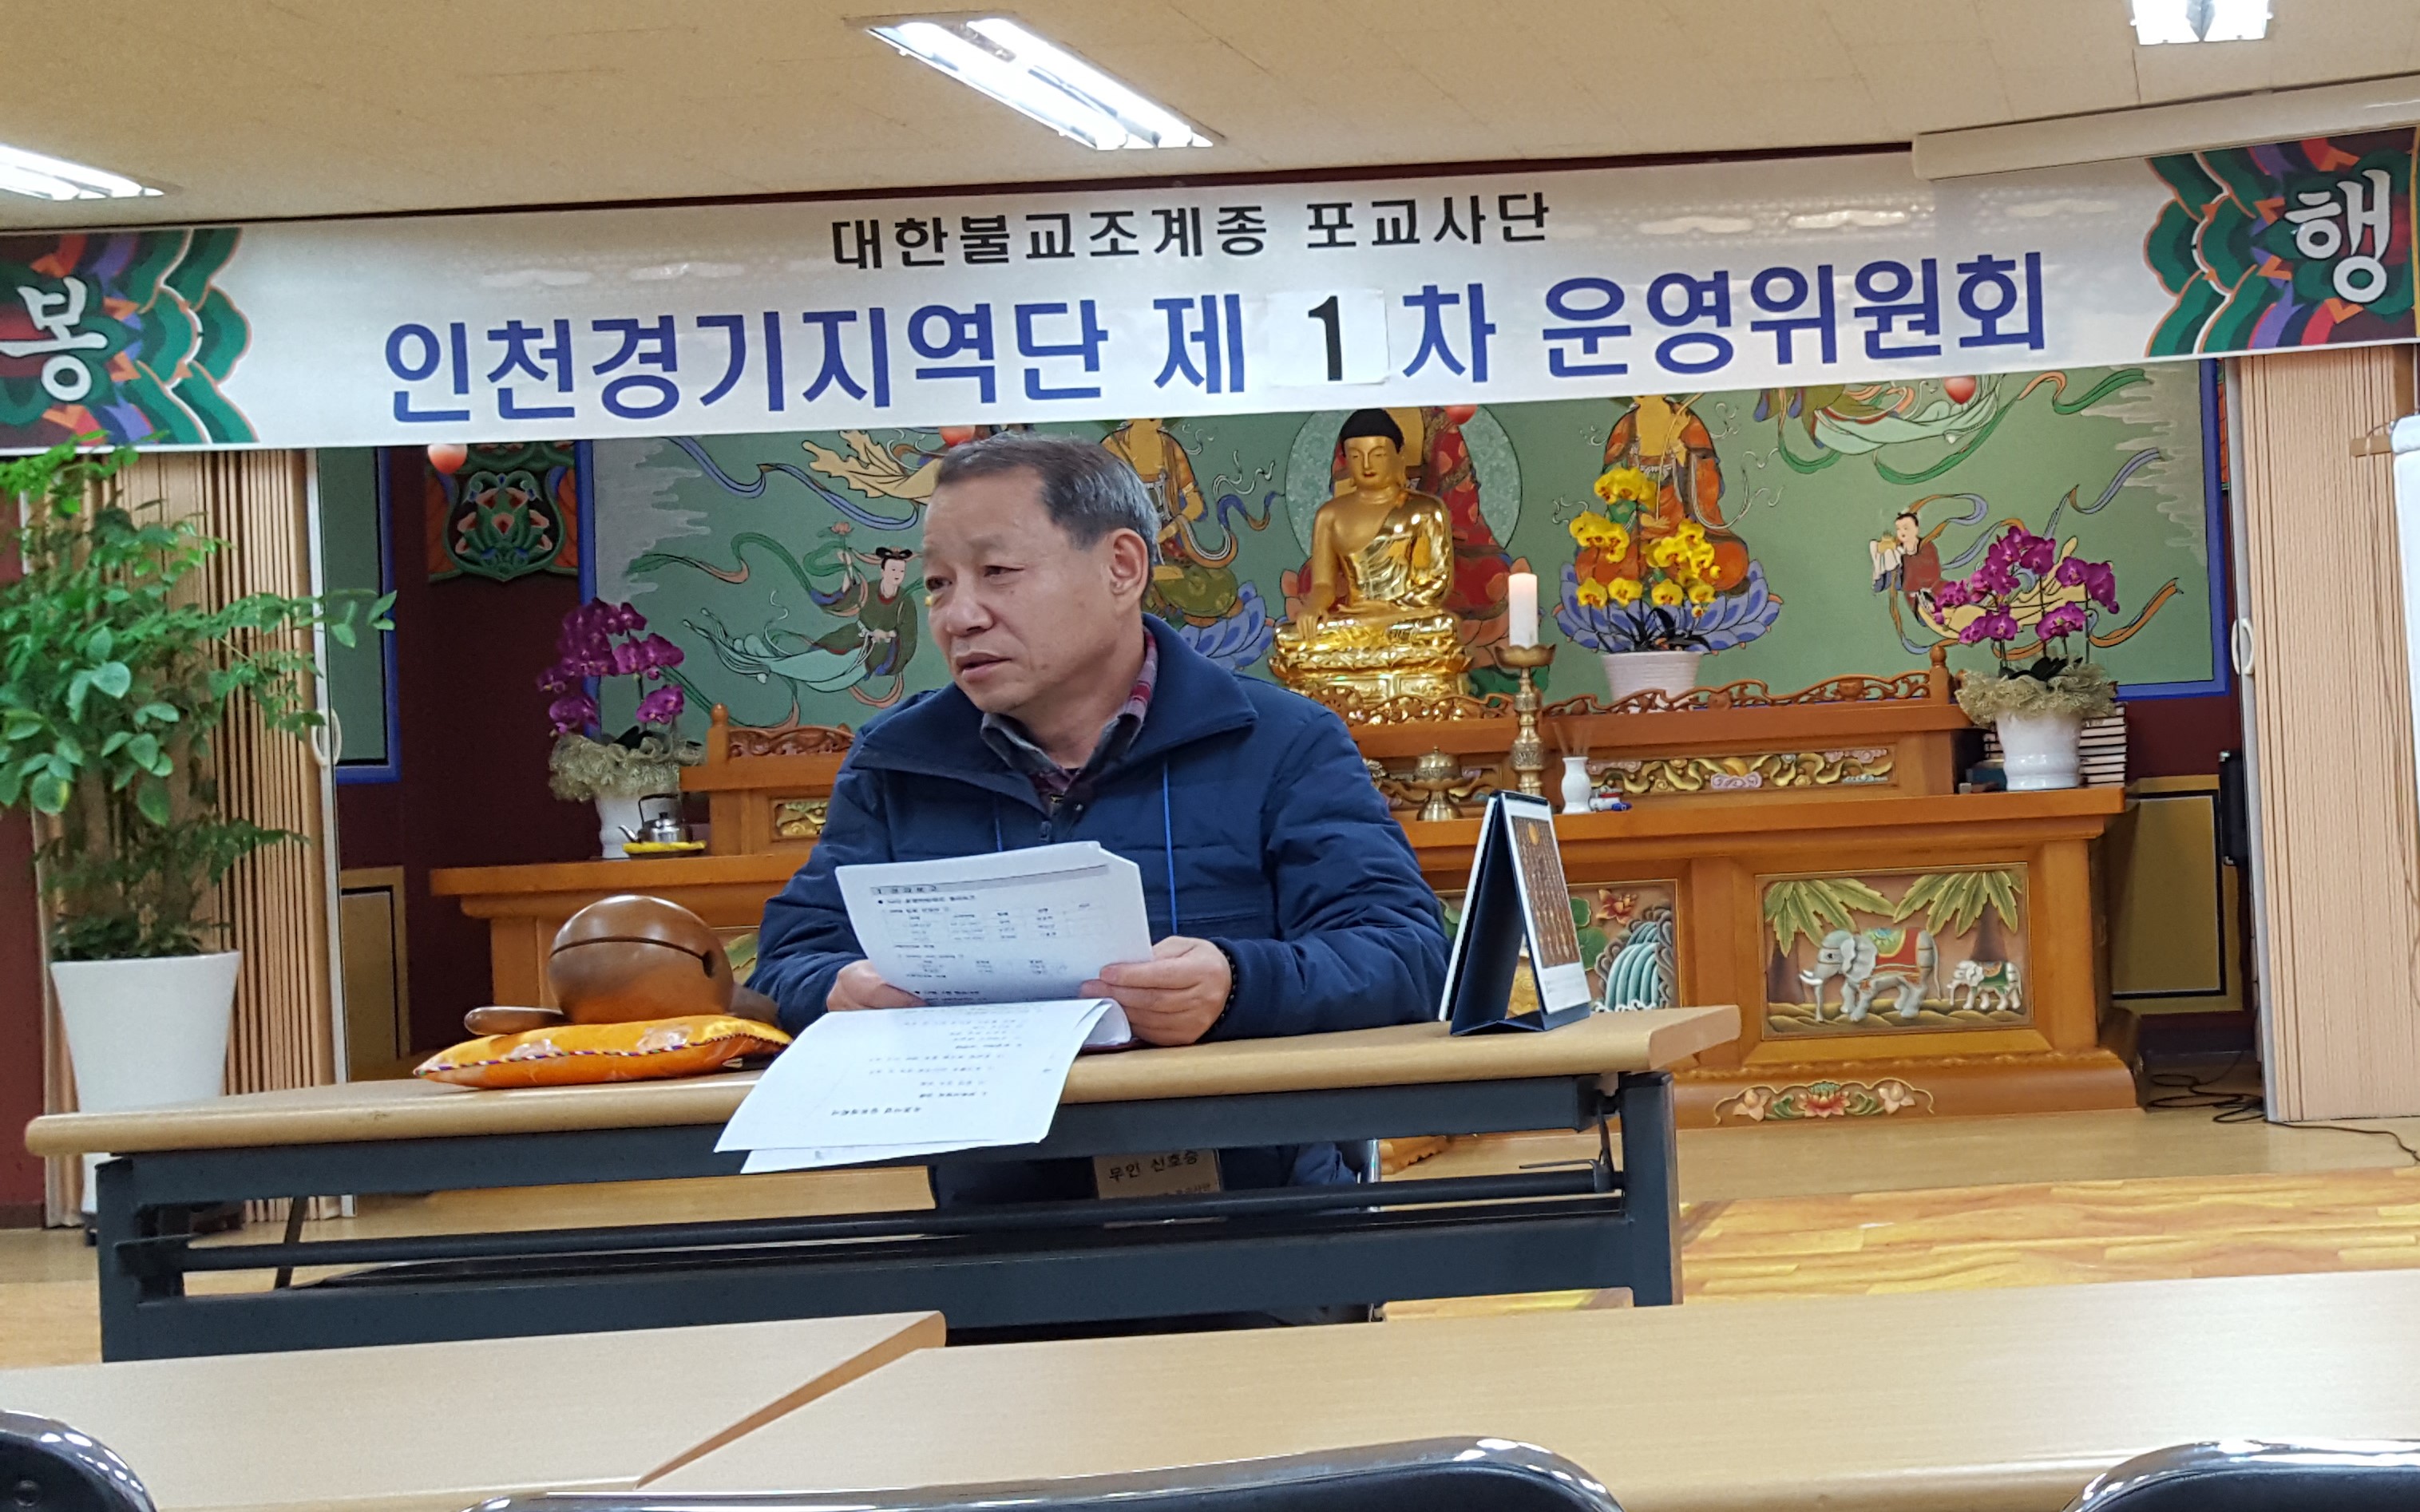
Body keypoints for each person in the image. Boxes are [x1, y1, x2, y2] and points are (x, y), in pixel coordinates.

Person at [750, 431, 1449, 1206]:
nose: (959, 617)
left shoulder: (1280, 741)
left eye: (997, 572)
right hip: (999, 1224)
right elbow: (785, 963)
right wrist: (837, 990)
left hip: (1258, 1214)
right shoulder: (898, 762)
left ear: (1121, 567)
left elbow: (1408, 955)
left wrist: (1237, 984)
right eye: (939, 584)